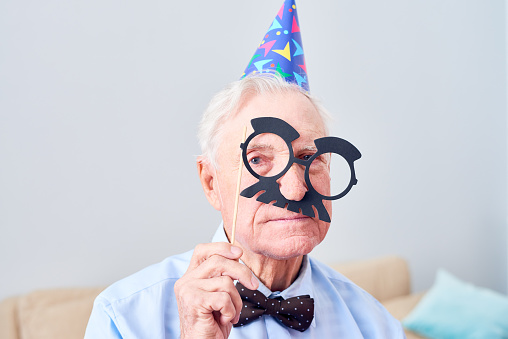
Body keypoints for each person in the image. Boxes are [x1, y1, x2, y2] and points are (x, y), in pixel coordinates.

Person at [84, 73, 406, 338]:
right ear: (211, 183)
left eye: (309, 158)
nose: (295, 190)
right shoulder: (121, 319)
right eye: (258, 160)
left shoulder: (376, 327)